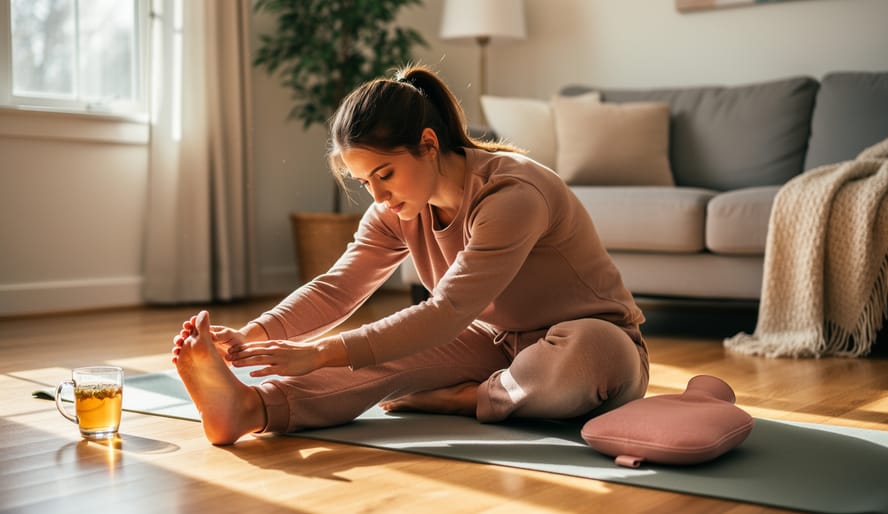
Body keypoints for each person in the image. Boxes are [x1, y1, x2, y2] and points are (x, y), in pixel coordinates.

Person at [172, 64, 650, 446]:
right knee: (383, 353)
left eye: (385, 174)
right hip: (493, 343)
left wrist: (319, 351)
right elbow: (339, 287)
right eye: (365, 183)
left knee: (591, 352)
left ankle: (466, 399)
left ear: (427, 144)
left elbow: (447, 311)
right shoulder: (397, 209)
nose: (378, 195)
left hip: (592, 343)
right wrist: (252, 335)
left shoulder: (511, 194)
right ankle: (252, 408)